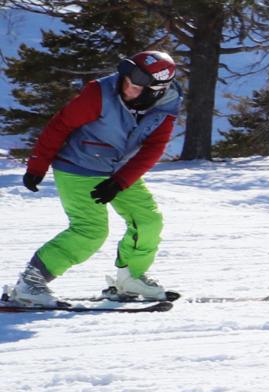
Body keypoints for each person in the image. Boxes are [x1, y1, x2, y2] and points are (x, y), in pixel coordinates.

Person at [8, 50, 185, 308]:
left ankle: (130, 277)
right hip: (78, 166)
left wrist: (121, 181)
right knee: (90, 231)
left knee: (148, 221)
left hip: (119, 169)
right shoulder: (100, 93)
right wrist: (38, 164)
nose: (126, 87)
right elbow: (61, 124)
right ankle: (30, 284)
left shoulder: (167, 103)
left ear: (155, 91)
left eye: (135, 86)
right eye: (126, 80)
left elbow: (153, 148)